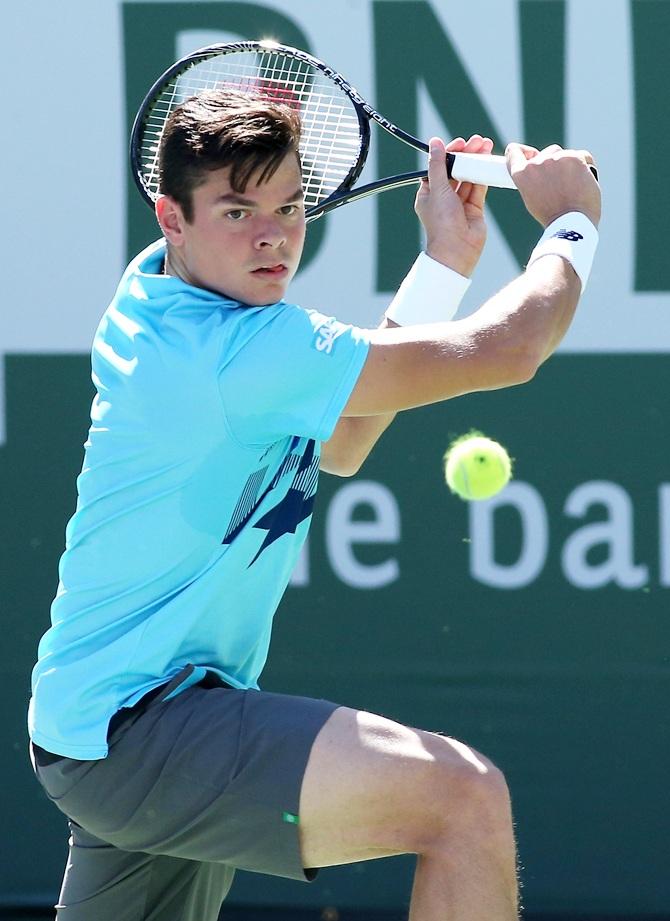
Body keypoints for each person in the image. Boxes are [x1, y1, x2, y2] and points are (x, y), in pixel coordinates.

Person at [28, 89, 601, 921]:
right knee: (463, 799)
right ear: (170, 215)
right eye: (237, 210)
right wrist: (573, 223)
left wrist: (446, 257)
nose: (272, 235)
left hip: (98, 728)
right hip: (141, 731)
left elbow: (344, 441)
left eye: (290, 206)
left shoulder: (156, 288)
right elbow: (510, 348)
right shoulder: (242, 351)